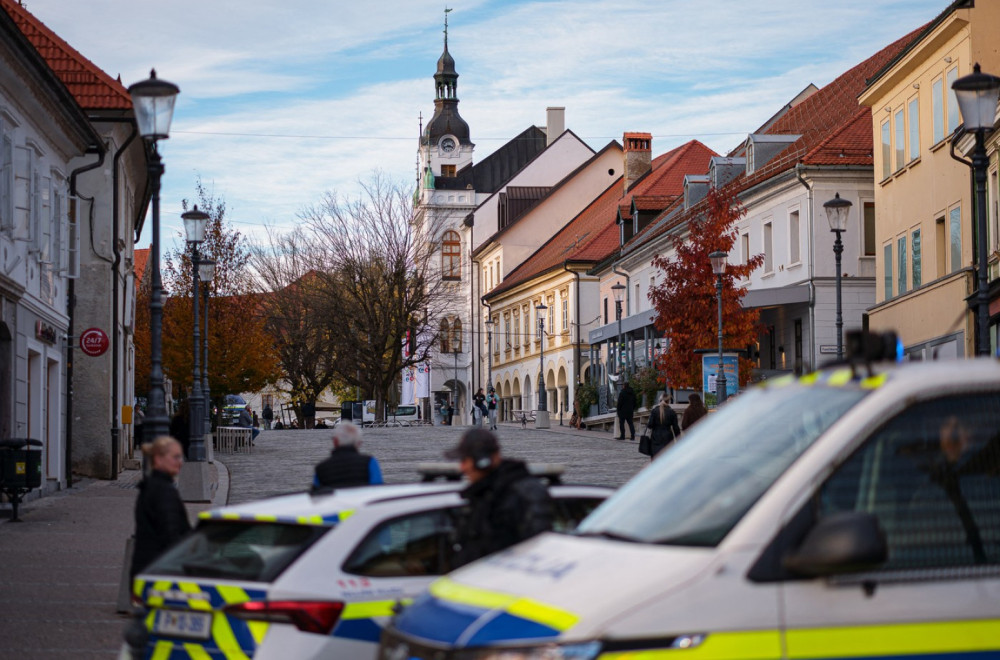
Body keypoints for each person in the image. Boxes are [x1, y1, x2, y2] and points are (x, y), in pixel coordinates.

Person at [445, 429, 554, 566]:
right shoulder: (482, 494)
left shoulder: (524, 494)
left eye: (465, 460)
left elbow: (538, 550)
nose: (462, 468)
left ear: (483, 461)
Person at [130, 436, 191, 579]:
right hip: (159, 572)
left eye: (181, 457)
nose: (180, 462)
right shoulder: (163, 491)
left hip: (149, 568)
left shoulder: (152, 486)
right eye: (175, 457)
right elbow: (171, 534)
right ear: (158, 459)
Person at [313, 421, 384, 488]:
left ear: (335, 442)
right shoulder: (370, 463)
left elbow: (315, 496)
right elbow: (377, 489)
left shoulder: (321, 468)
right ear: (359, 443)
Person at [648, 393, 681, 459]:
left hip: (656, 436)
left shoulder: (654, 411)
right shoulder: (671, 412)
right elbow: (675, 427)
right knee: (667, 456)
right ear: (668, 401)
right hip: (667, 436)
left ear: (659, 400)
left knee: (656, 456)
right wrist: (678, 437)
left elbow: (650, 425)